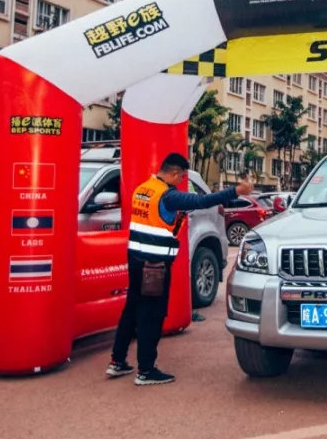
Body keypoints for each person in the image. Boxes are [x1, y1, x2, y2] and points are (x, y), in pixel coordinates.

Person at [107, 153, 252, 386]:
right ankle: (146, 370)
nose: (181, 180)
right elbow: (201, 202)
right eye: (182, 176)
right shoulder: (168, 195)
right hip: (154, 266)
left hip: (135, 261)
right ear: (175, 173)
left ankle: (117, 361)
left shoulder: (143, 189)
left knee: (131, 310)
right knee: (151, 316)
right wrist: (236, 191)